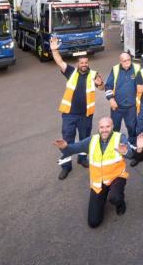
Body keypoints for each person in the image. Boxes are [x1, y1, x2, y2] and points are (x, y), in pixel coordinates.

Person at [53, 116, 134, 228]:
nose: (104, 129)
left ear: (112, 127)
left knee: (115, 197)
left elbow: (130, 153)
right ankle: (104, 196)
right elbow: (74, 148)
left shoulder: (119, 137)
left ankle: (120, 202)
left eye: (107, 126)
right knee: (93, 222)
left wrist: (125, 151)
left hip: (116, 177)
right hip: (98, 182)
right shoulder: (92, 140)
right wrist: (65, 147)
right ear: (98, 128)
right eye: (102, 127)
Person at [50, 37, 104, 180]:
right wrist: (54, 49)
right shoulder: (71, 72)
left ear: (88, 64)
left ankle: (82, 159)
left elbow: (102, 87)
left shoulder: (94, 74)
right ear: (77, 64)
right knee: (67, 139)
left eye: (86, 62)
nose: (84, 64)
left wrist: (100, 84)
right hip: (69, 114)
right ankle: (66, 166)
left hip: (86, 115)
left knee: (85, 139)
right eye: (81, 62)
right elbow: (59, 62)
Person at [104, 51, 139, 139]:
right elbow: (108, 86)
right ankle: (114, 148)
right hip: (117, 106)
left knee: (132, 128)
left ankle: (132, 147)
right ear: (120, 61)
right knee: (115, 129)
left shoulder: (137, 68)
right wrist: (111, 100)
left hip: (131, 106)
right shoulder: (115, 69)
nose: (127, 62)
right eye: (124, 61)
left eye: (128, 60)